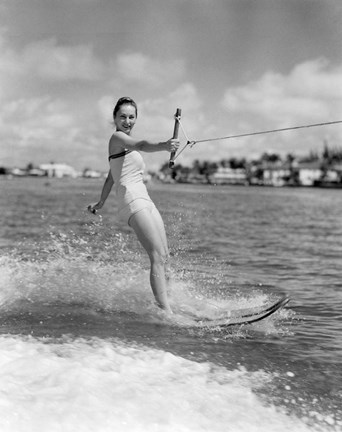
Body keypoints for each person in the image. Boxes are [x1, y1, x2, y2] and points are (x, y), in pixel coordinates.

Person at [88, 97, 179, 314]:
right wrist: (164, 146)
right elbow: (141, 144)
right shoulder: (117, 138)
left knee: (165, 255)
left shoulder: (123, 148)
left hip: (145, 199)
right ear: (115, 119)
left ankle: (172, 303)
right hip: (131, 200)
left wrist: (100, 202)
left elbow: (111, 177)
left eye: (131, 117)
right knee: (156, 256)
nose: (127, 121)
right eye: (123, 117)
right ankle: (165, 313)